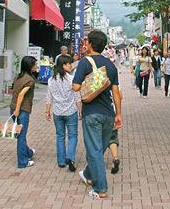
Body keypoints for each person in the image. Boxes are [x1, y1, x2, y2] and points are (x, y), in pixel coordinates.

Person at [72, 30, 123, 199]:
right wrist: (118, 114)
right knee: (98, 149)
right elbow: (116, 92)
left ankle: (100, 188)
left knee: (94, 150)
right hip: (109, 113)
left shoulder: (85, 63)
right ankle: (88, 174)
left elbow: (75, 87)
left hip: (91, 113)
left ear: (90, 44)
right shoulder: (110, 65)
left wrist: (89, 84)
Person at [46, 54, 82, 172]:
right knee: (73, 136)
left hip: (57, 112)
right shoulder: (71, 79)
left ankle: (61, 161)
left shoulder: (51, 80)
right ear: (63, 65)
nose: (71, 65)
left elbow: (49, 97)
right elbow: (77, 97)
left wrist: (47, 111)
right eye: (69, 64)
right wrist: (80, 110)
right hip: (71, 111)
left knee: (60, 136)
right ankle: (70, 157)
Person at [10, 56, 38, 168]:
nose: (36, 66)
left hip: (12, 108)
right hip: (22, 110)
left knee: (20, 134)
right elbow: (21, 94)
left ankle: (29, 153)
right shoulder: (29, 80)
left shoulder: (17, 77)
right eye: (35, 64)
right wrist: (18, 109)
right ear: (30, 66)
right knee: (21, 136)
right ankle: (22, 162)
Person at [108, 85, 123, 174]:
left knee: (96, 139)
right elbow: (120, 95)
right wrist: (118, 112)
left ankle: (95, 162)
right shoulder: (114, 79)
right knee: (112, 138)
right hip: (111, 112)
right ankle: (115, 158)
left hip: (97, 112)